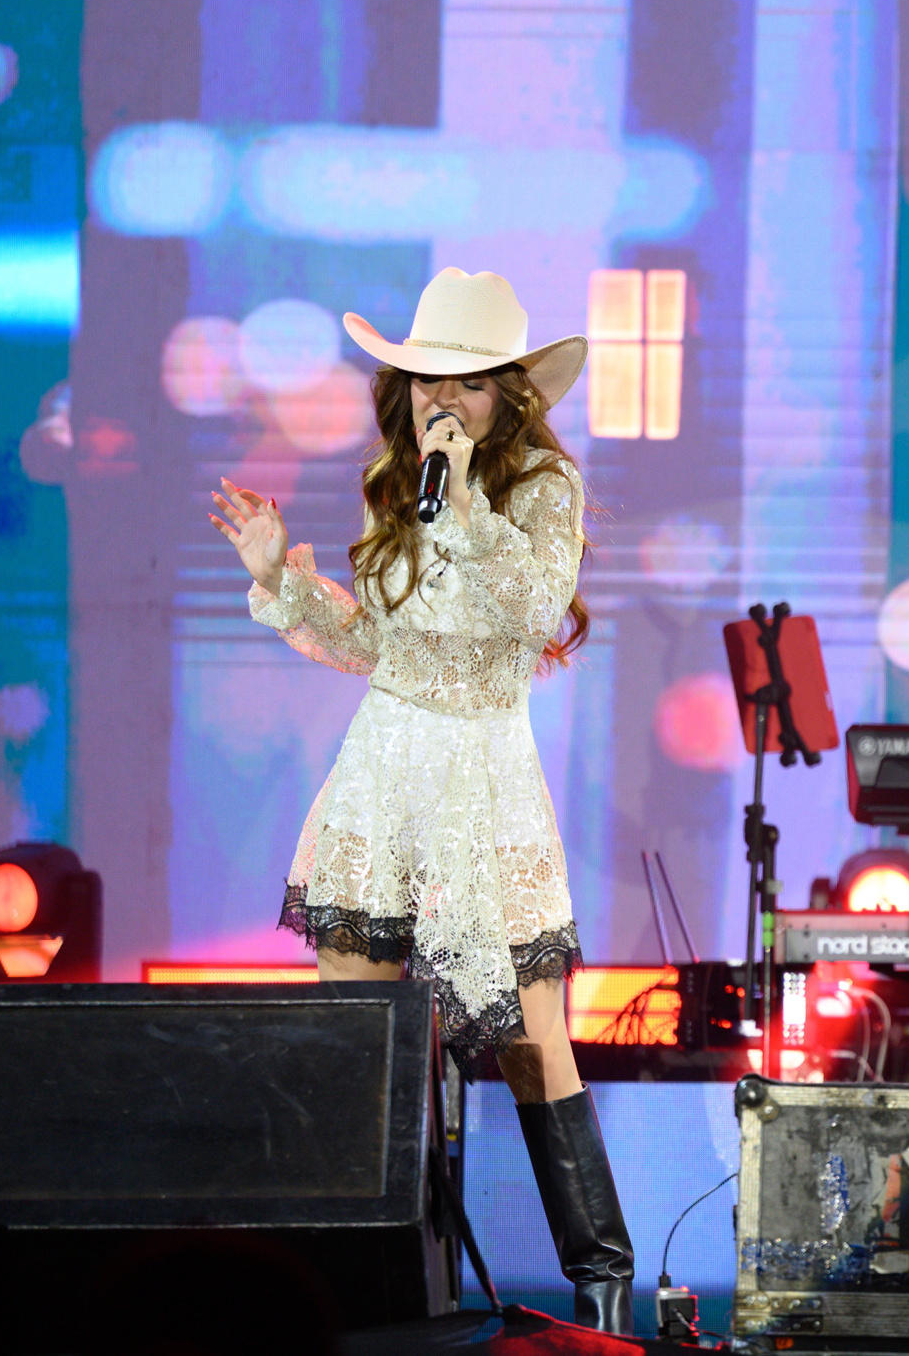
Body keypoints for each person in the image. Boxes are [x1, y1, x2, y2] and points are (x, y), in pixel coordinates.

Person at [209, 268, 634, 1331]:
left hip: (482, 784)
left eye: (467, 384)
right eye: (425, 381)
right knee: (359, 1040)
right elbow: (378, 646)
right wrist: (282, 579)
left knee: (531, 1041)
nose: (441, 402)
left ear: (508, 394)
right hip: (382, 776)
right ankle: (364, 1290)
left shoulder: (542, 485)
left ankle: (603, 1287)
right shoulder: (394, 482)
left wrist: (467, 496)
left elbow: (534, 606)